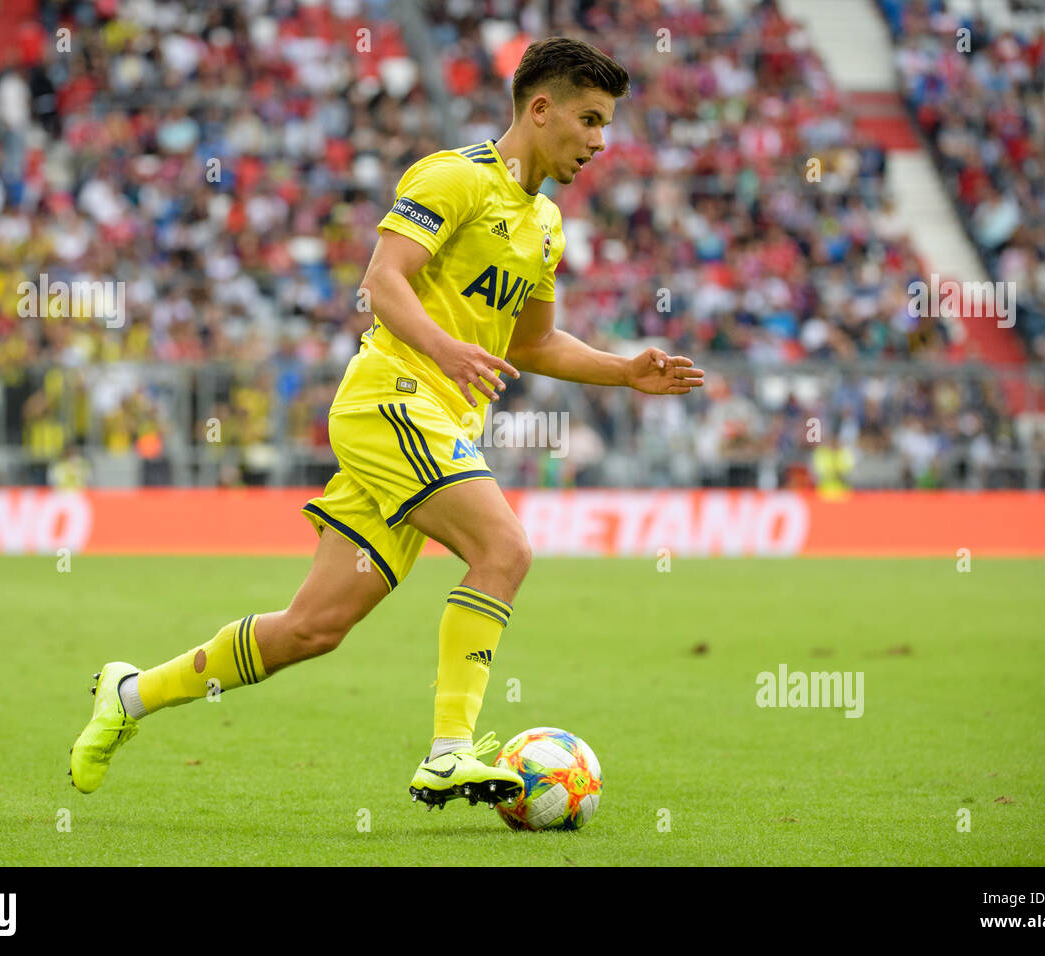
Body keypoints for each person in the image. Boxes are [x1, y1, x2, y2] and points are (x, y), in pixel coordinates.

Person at [69, 37, 704, 811]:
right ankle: (449, 752)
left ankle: (129, 694)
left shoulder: (544, 225)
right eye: (590, 120)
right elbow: (382, 280)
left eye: (607, 126)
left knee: (312, 628)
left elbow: (532, 342)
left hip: (433, 421)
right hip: (391, 398)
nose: (601, 142)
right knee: (503, 548)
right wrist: (446, 348)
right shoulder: (453, 178)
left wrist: (624, 369)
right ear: (541, 110)